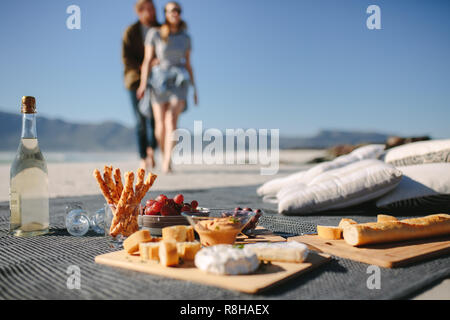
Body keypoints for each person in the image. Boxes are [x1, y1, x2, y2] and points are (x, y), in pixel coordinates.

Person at [137, 1, 198, 173]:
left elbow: (189, 64)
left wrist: (195, 89)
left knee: (171, 120)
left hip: (179, 81)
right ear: (165, 14)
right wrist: (143, 84)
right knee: (160, 124)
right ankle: (165, 155)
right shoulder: (155, 34)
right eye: (172, 11)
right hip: (158, 80)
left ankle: (167, 162)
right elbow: (148, 60)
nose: (175, 13)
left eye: (178, 10)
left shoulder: (186, 38)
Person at [122, 0, 160, 170]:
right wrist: (144, 67)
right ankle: (143, 157)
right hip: (135, 81)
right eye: (149, 10)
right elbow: (126, 58)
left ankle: (152, 150)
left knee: (156, 120)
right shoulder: (131, 31)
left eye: (154, 9)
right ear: (140, 12)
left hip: (159, 81)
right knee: (140, 121)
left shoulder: (161, 29)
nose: (153, 13)